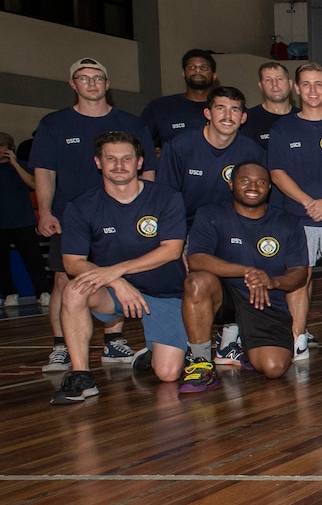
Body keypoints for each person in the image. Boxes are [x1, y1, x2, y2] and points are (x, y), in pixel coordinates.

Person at [34, 58, 154, 372]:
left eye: (98, 78)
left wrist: (147, 211)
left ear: (107, 84)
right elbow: (45, 171)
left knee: (117, 274)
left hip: (123, 216)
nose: (92, 83)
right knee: (65, 279)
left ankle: (114, 341)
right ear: (73, 84)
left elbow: (149, 171)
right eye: (84, 78)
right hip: (70, 217)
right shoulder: (54, 124)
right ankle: (61, 346)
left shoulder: (130, 123)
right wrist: (45, 211)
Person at [51, 132, 186, 404]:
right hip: (112, 291)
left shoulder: (166, 197)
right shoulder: (81, 206)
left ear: (139, 162)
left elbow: (171, 250)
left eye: (126, 159)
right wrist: (117, 282)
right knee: (74, 289)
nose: (119, 165)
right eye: (110, 159)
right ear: (98, 163)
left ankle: (150, 351)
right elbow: (72, 262)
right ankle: (81, 376)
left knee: (168, 374)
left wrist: (115, 271)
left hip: (165, 293)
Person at [179, 162, 311, 391]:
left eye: (261, 182)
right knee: (197, 282)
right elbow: (196, 260)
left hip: (266, 298)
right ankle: (200, 362)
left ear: (269, 188)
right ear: (231, 184)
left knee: (274, 368)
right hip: (225, 294)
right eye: (245, 180)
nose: (253, 186)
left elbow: (299, 274)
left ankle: (242, 344)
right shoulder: (211, 213)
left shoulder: (288, 222)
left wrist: (273, 281)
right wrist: (247, 271)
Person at [267, 62, 322, 355]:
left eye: (319, 84)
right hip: (296, 216)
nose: (313, 90)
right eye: (306, 84)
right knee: (299, 278)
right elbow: (277, 172)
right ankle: (298, 338)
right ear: (296, 88)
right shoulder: (283, 127)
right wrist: (308, 203)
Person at [156, 86, 266, 224]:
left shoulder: (253, 152)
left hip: (232, 228)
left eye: (235, 110)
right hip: (187, 228)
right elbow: (164, 196)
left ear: (243, 118)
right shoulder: (179, 147)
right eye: (220, 108)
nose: (228, 116)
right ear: (208, 113)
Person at [0, 132, 46, 309]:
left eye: (2, 146)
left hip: (23, 220)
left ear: (9, 147)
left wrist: (15, 163)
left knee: (33, 259)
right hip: (1, 223)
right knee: (2, 262)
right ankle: (9, 293)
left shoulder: (22, 166)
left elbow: (34, 184)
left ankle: (42, 292)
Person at [140, 48, 217, 151]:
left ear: (214, 75)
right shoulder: (160, 107)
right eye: (191, 67)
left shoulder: (226, 109)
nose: (197, 70)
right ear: (183, 73)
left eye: (204, 67)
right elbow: (137, 141)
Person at [243, 61, 293, 150]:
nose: (274, 84)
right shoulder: (247, 120)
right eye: (268, 80)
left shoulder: (302, 117)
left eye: (279, 78)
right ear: (261, 86)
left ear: (290, 84)